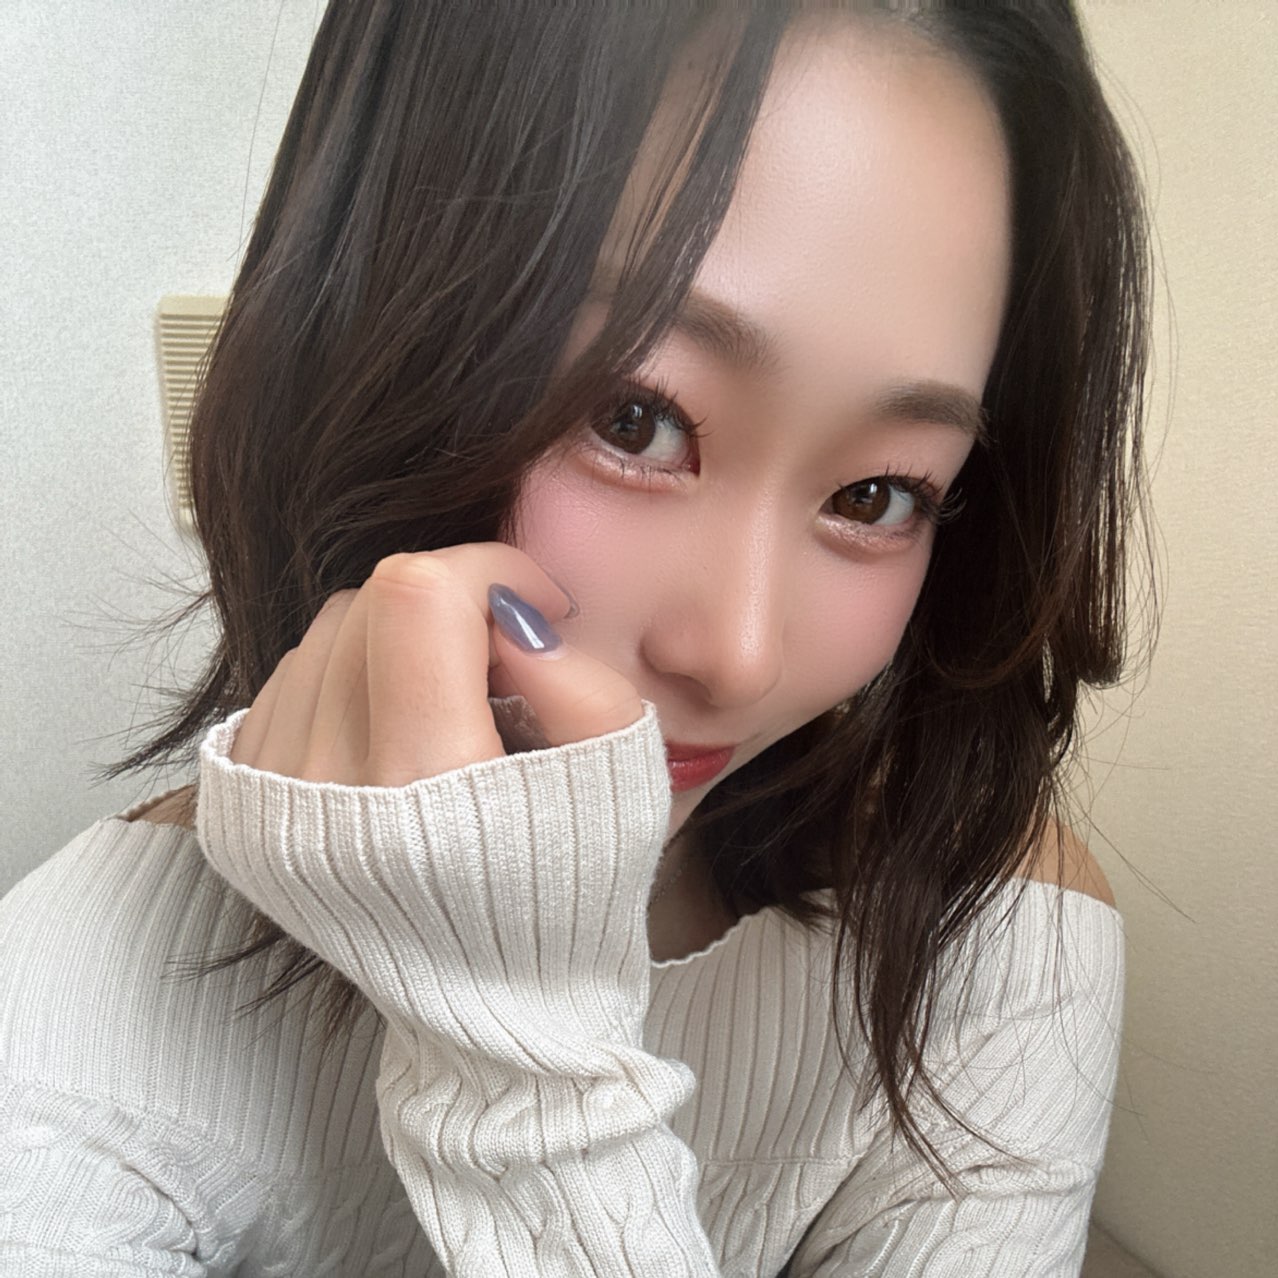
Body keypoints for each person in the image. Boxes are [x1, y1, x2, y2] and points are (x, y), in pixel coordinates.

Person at [0, 2, 1151, 1274]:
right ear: (361, 347)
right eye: (635, 419)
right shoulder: (70, 1040)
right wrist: (516, 1042)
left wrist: (530, 1075)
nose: (739, 656)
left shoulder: (986, 937)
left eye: (877, 495)